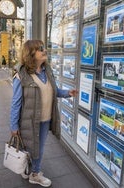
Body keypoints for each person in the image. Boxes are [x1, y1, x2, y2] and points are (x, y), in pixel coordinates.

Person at [10, 40, 78, 187]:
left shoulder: (47, 71)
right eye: (40, 49)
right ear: (31, 54)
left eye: (43, 48)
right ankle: (35, 173)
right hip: (29, 121)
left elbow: (53, 91)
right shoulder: (21, 75)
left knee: (37, 148)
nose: (44, 51)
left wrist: (67, 93)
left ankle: (32, 171)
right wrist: (13, 125)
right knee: (32, 148)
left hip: (45, 119)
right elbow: (15, 103)